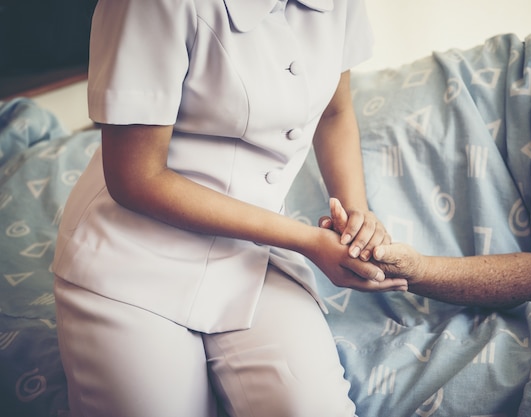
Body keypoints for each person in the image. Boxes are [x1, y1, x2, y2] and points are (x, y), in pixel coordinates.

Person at [51, 1, 408, 416]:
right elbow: (136, 177)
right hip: (129, 261)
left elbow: (335, 110)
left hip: (250, 256)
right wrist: (307, 241)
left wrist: (355, 220)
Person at [324, 23, 531, 310]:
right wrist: (355, 210)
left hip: (476, 229)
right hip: (467, 88)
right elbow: (333, 115)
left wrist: (417, 269)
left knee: (323, 255)